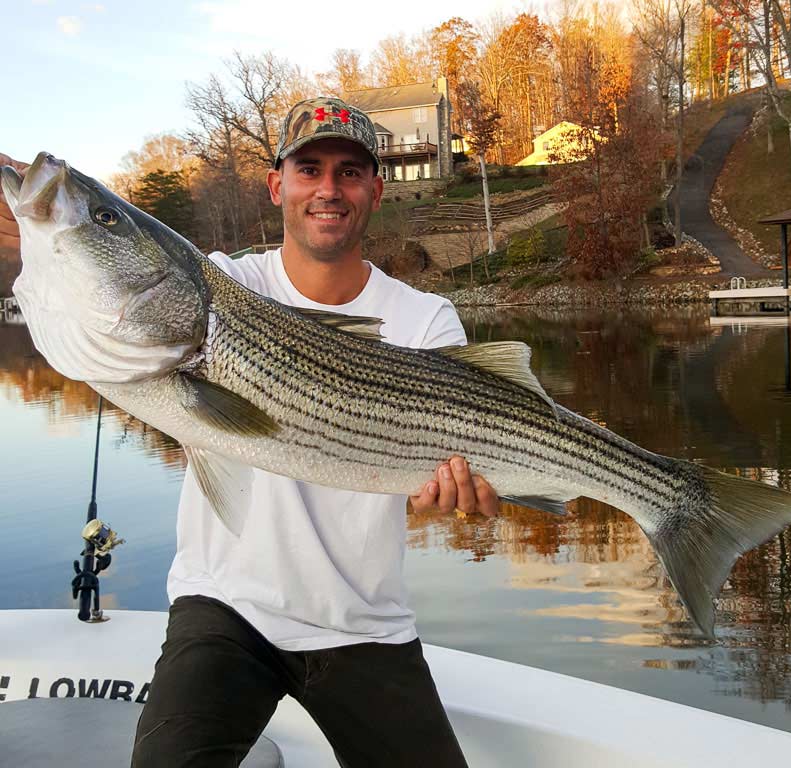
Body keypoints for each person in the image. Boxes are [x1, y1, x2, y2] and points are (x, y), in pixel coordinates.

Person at [0, 98, 499, 767]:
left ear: (375, 190)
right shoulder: (224, 283)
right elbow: (82, 295)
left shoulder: (425, 319)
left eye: (350, 173)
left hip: (362, 621)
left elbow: (459, 486)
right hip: (226, 610)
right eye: (309, 169)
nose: (328, 188)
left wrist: (457, 497)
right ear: (277, 186)